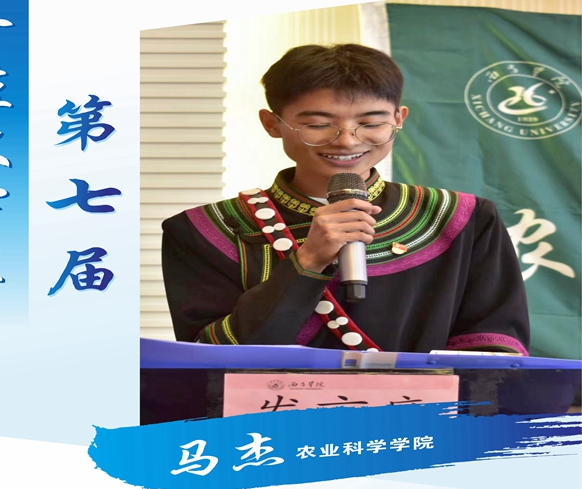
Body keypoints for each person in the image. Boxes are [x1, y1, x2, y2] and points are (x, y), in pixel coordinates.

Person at [160, 44, 530, 355]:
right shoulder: (209, 229)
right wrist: (308, 261)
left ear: (399, 119)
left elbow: (495, 346)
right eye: (318, 124)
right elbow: (206, 358)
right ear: (272, 124)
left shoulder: (462, 218)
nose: (347, 140)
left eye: (371, 123)